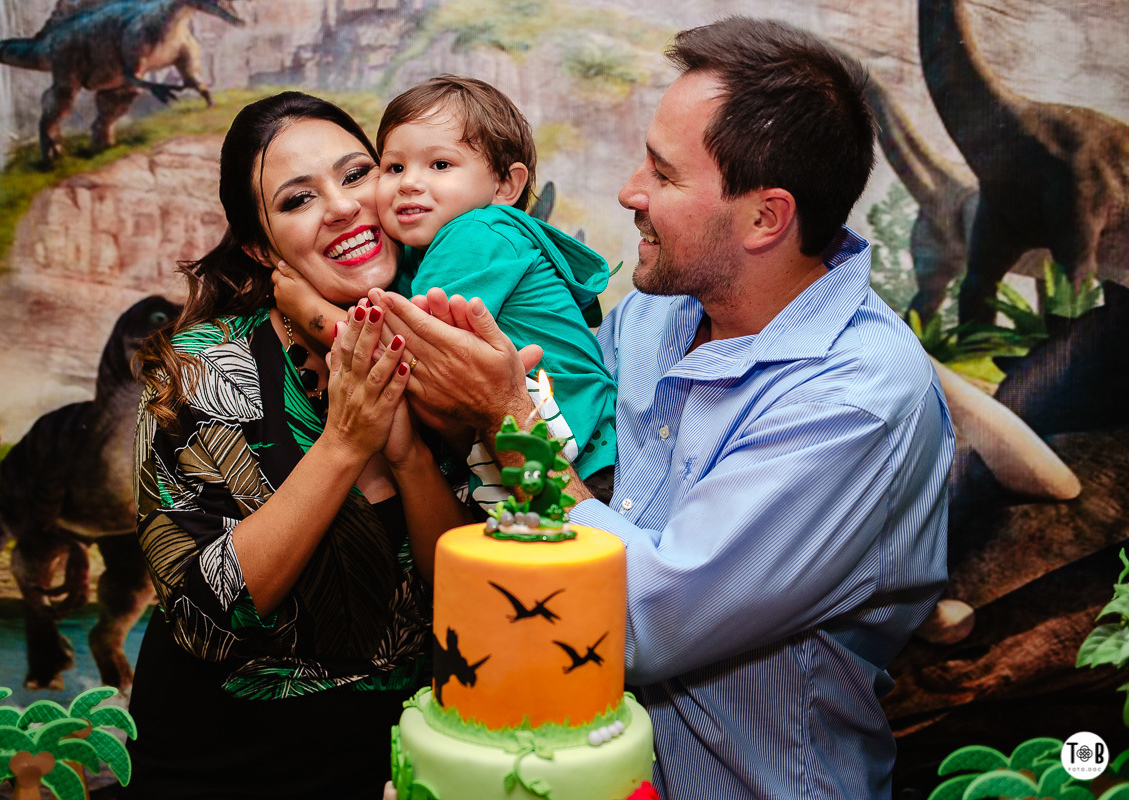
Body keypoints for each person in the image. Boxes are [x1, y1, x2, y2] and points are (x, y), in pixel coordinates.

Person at [367, 18, 954, 800]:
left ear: (764, 217)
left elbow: (634, 622)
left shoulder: (854, 401)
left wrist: (509, 419)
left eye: (664, 174)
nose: (629, 191)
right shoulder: (658, 313)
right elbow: (565, 468)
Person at [127, 91, 472, 800]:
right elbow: (203, 619)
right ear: (261, 246)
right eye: (297, 200)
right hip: (220, 767)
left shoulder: (449, 343)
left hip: (399, 760)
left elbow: (468, 601)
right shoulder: (204, 369)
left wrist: (407, 455)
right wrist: (345, 443)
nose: (344, 207)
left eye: (356, 174)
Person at [277, 75, 617, 507]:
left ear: (505, 186)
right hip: (534, 456)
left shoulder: (477, 234)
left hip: (578, 464)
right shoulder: (421, 253)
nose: (408, 183)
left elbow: (410, 355)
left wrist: (309, 309)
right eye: (394, 167)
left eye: (439, 165)